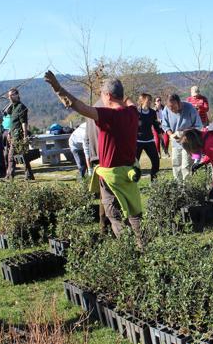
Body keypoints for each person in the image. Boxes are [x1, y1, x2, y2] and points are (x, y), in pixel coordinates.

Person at [44, 71, 143, 244]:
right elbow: (129, 101)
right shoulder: (133, 113)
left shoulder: (108, 116)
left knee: (115, 215)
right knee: (134, 213)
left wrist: (57, 88)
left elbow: (78, 106)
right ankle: (143, 246)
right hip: (130, 173)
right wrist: (124, 97)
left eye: (102, 95)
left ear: (108, 95)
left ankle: (127, 251)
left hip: (111, 176)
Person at [160, 93, 203, 180]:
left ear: (179, 103)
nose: (172, 110)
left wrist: (183, 132)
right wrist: (171, 134)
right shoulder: (166, 109)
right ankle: (178, 187)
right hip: (175, 142)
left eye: (174, 107)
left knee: (186, 166)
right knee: (176, 164)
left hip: (188, 142)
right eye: (170, 108)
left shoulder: (190, 108)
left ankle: (187, 187)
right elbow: (165, 125)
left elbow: (198, 126)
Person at [84, 99, 109, 232]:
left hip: (96, 156)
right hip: (107, 156)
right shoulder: (108, 109)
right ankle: (105, 224)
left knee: (103, 193)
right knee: (109, 194)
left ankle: (104, 223)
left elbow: (87, 138)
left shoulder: (91, 109)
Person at [5, 88, 35, 180]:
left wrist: (25, 136)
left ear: (17, 95)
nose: (10, 97)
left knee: (10, 156)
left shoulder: (21, 107)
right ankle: (29, 175)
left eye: (12, 95)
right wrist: (9, 132)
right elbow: (11, 119)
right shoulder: (13, 107)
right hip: (13, 134)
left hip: (19, 135)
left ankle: (9, 176)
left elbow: (24, 123)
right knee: (24, 156)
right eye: (9, 96)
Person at [136, 93, 162, 180]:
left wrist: (161, 136)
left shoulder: (152, 112)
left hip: (150, 141)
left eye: (151, 100)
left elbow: (156, 126)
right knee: (135, 164)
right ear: (142, 101)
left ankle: (154, 182)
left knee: (156, 162)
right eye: (148, 100)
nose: (150, 102)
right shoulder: (136, 112)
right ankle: (133, 181)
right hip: (138, 142)